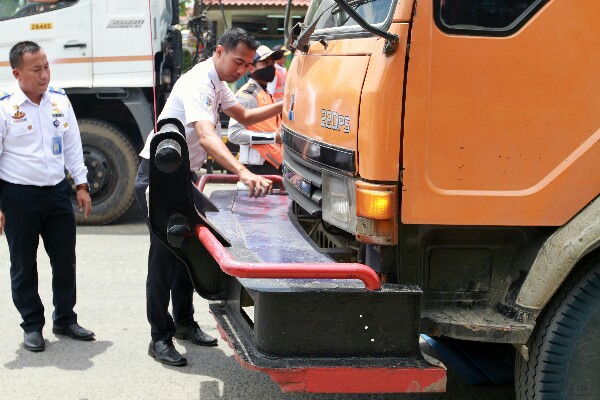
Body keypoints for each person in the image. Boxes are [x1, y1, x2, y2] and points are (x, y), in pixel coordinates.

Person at [134, 27, 282, 367]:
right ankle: (159, 337)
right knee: (165, 257)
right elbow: (207, 135)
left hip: (182, 178)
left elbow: (243, 116)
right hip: (156, 177)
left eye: (247, 66)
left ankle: (184, 322)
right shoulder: (199, 82)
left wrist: (284, 107)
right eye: (238, 62)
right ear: (219, 51)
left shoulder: (219, 83)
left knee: (192, 249)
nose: (242, 70)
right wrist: (243, 173)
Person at [0, 41, 94, 353]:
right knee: (24, 265)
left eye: (46, 67)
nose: (44, 75)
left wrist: (81, 185)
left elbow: (72, 144)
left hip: (56, 193)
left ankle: (65, 318)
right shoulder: (4, 105)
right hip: (18, 195)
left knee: (65, 261)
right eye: (36, 69)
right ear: (17, 73)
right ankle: (32, 325)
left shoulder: (58, 100)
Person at [228, 45, 284, 175]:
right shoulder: (247, 95)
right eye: (264, 63)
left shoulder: (265, 92)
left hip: (272, 163)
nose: (270, 67)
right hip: (256, 168)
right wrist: (273, 137)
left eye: (272, 63)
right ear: (251, 67)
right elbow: (234, 134)